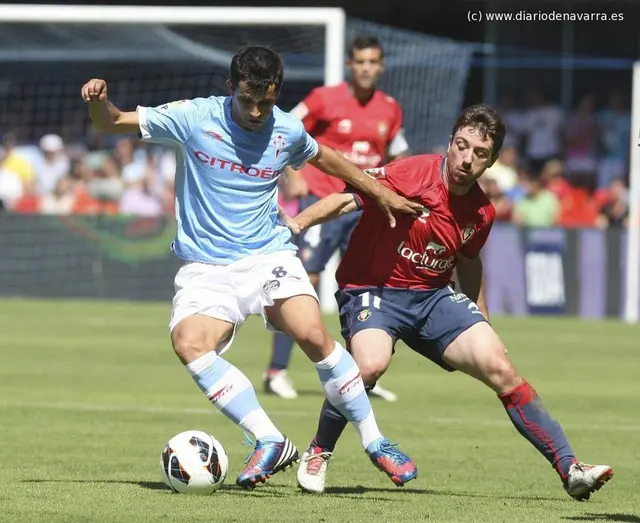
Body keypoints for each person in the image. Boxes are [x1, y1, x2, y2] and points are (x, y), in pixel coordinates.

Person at [80, 45, 423, 490]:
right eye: (248, 100)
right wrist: (97, 102)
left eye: (267, 100)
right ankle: (269, 438)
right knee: (189, 343)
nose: (258, 111)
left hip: (268, 255)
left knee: (312, 333)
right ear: (231, 88)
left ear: (277, 92)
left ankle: (375, 440)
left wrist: (378, 191)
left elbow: (328, 158)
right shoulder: (193, 117)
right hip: (206, 266)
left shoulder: (286, 128)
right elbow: (112, 121)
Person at [281, 104, 614, 500]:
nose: (467, 159)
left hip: (433, 297)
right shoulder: (410, 172)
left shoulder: (482, 212)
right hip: (373, 290)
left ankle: (570, 468)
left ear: (490, 163)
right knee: (369, 365)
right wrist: (298, 224)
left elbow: (469, 264)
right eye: (462, 146)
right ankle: (319, 450)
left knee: (500, 367)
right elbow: (348, 199)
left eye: (479, 154)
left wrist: (483, 321)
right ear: (451, 142)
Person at [265, 36, 409, 402]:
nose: (366, 67)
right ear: (350, 64)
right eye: (360, 61)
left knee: (367, 287)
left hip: (363, 208)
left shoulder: (390, 109)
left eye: (373, 61)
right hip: (322, 205)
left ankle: (358, 376)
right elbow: (281, 126)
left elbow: (397, 155)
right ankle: (277, 371)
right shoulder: (323, 99)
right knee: (302, 283)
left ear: (381, 66)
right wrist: (292, 172)